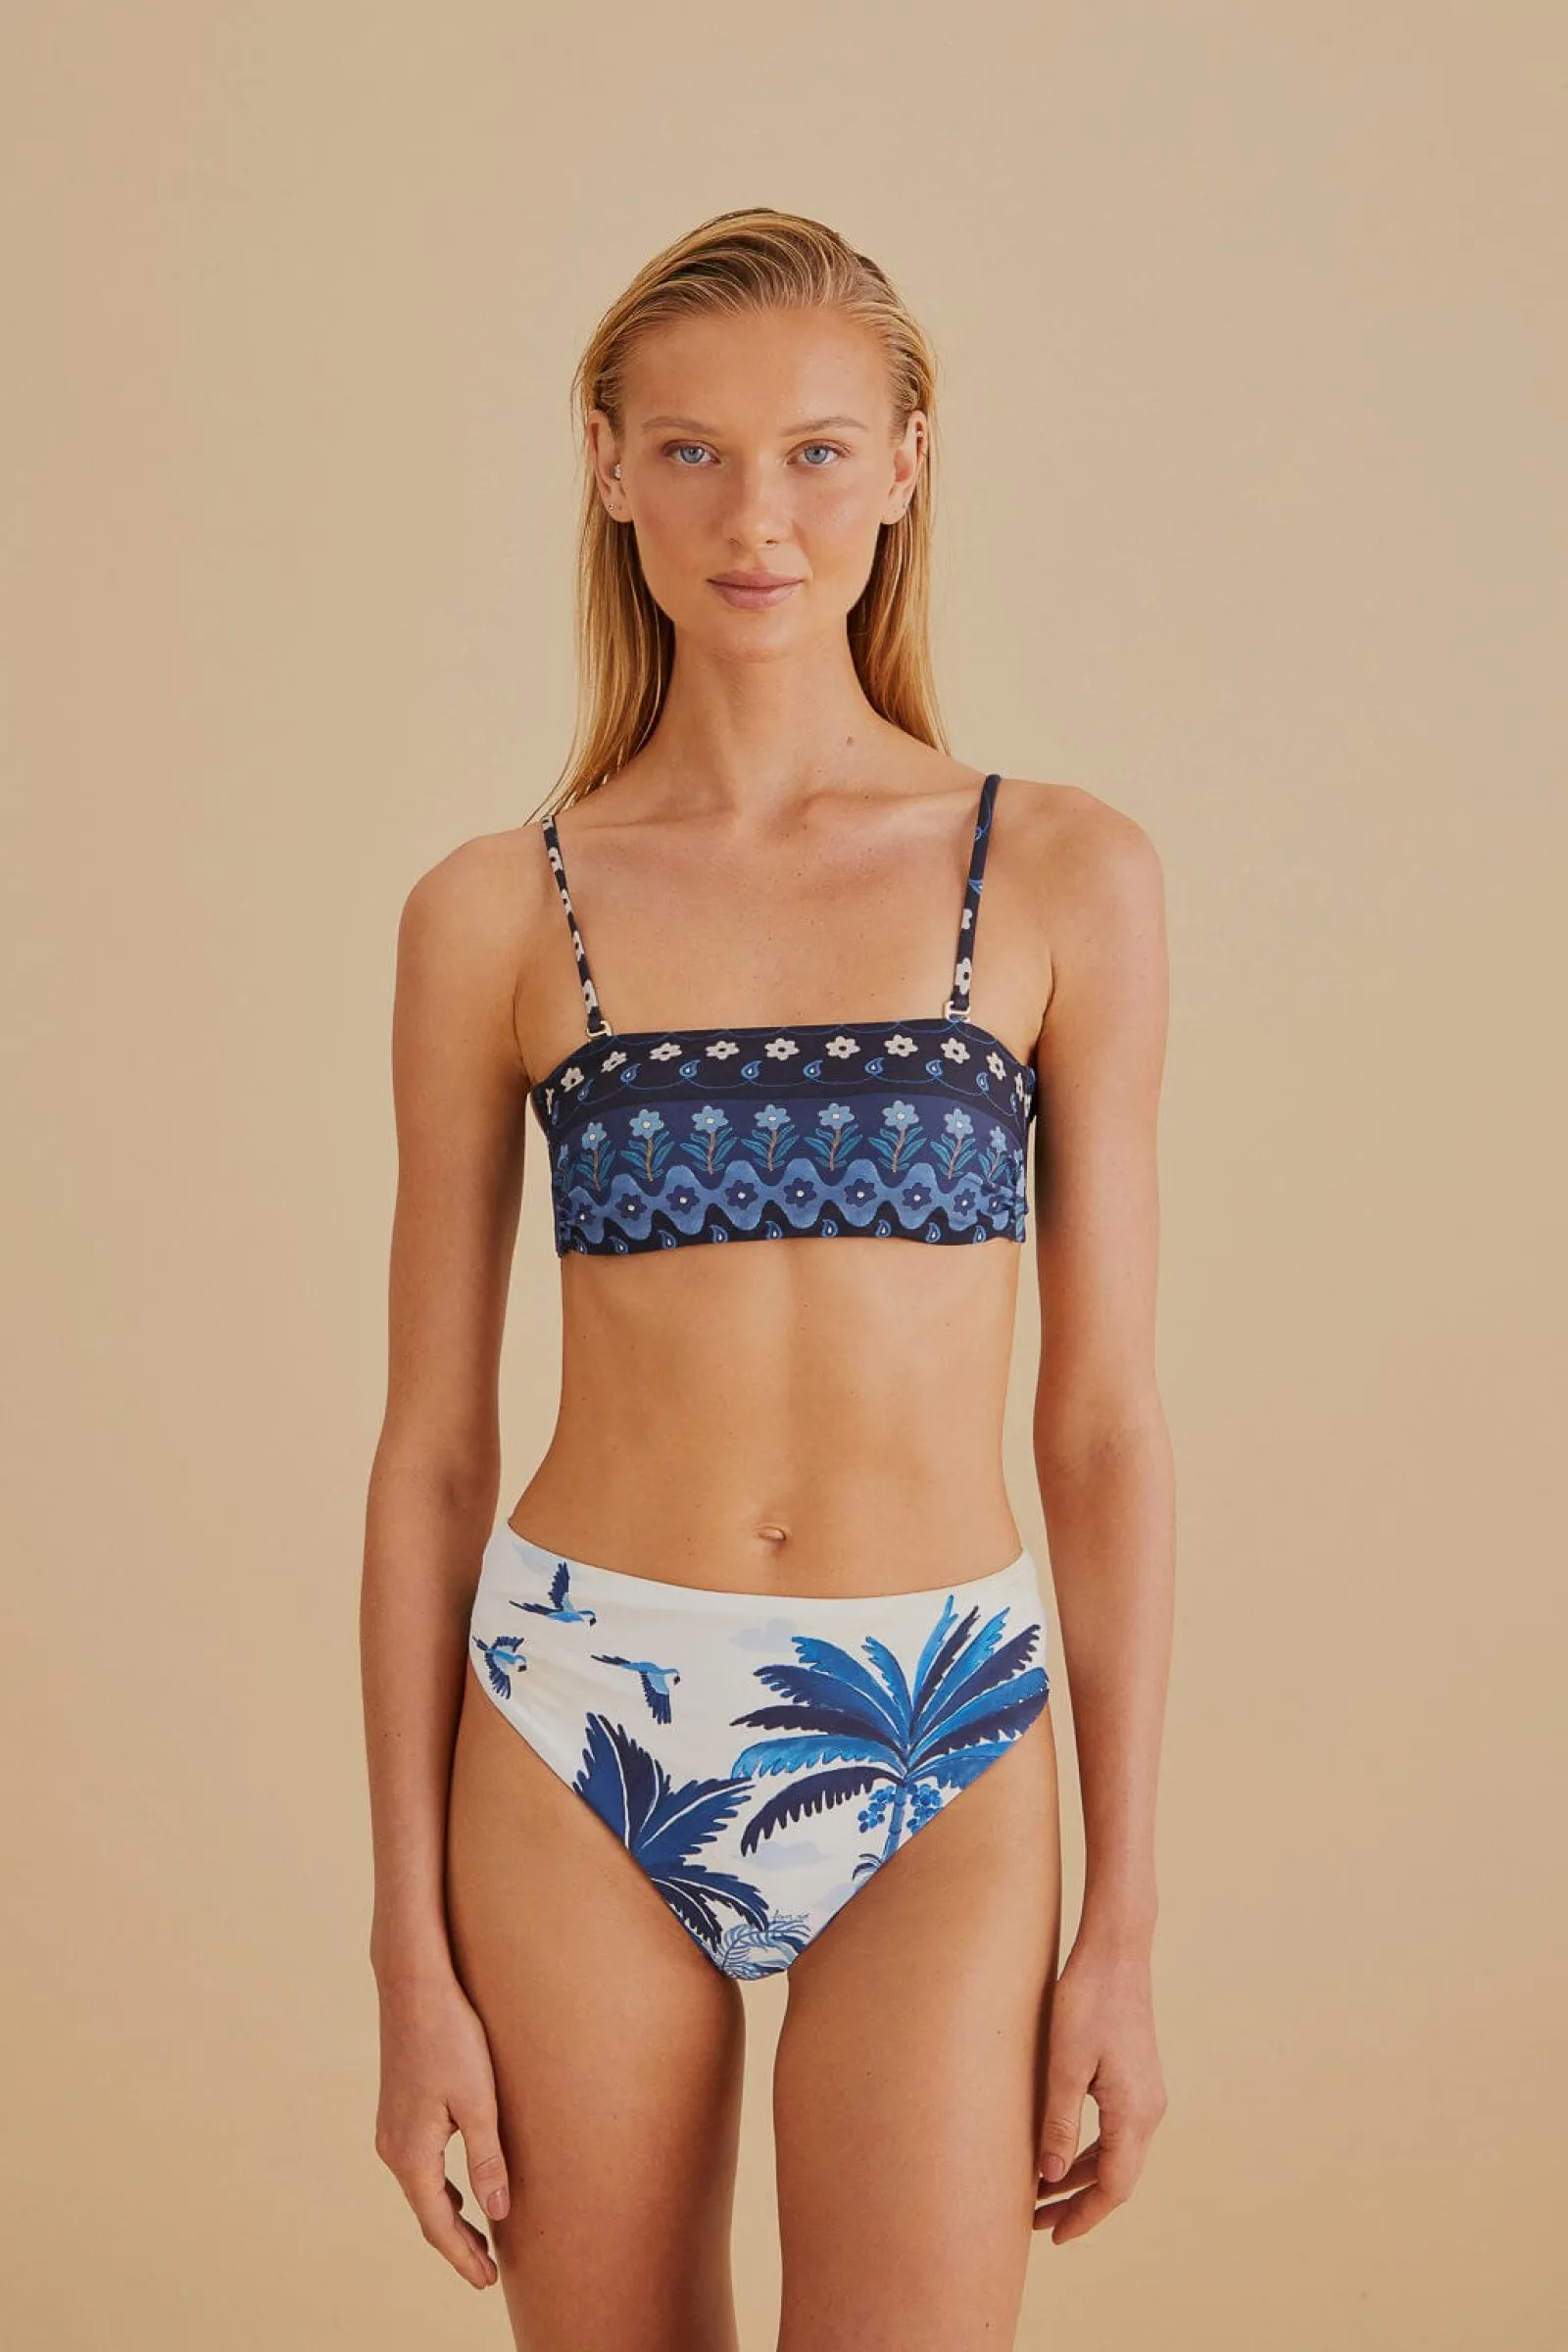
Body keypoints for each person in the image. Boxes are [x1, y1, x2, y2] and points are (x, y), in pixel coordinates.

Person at [361, 206, 1173, 2352]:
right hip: (575, 1722)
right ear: (608, 467)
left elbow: (1100, 1428)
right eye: (694, 453)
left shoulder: (1060, 873)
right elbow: (429, 1451)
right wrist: (403, 1953)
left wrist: (1123, 1927)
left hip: (943, 1723)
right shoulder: (496, 911)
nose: (757, 517)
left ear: (905, 465)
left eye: (816, 451)